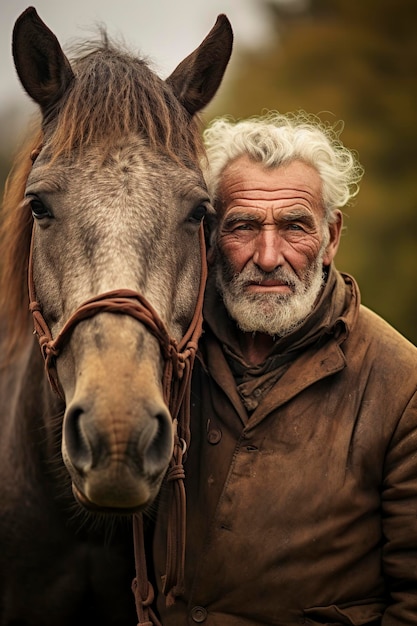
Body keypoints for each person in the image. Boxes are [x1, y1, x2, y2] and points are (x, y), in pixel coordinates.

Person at [152, 111, 417, 625]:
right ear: (209, 236)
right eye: (243, 226)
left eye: (294, 226)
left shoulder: (402, 384)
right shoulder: (166, 352)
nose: (268, 256)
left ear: (331, 237)